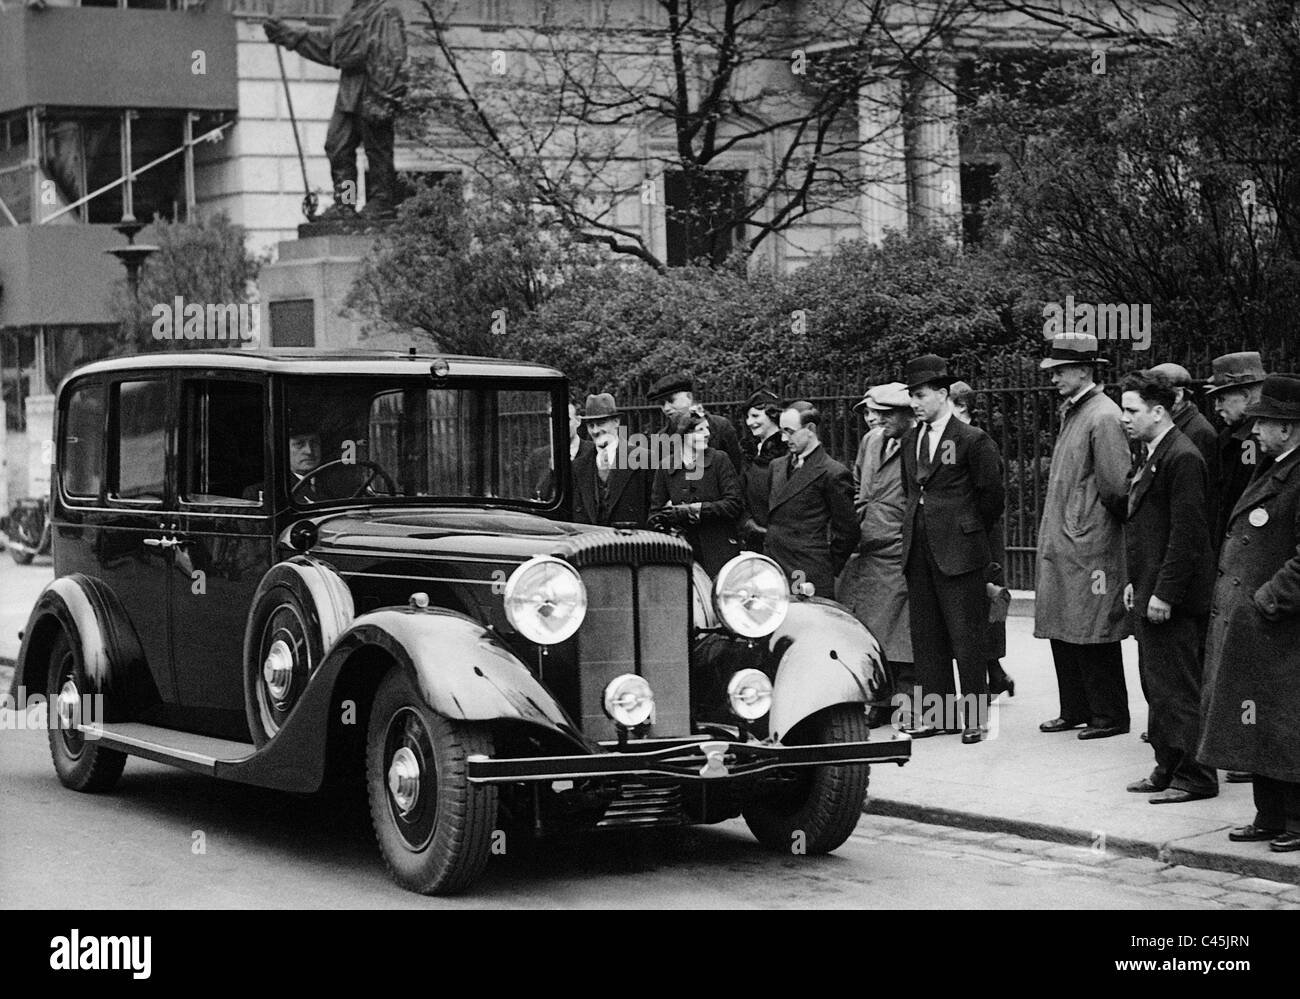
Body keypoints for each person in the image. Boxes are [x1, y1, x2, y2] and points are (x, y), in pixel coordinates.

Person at [1198, 374, 1300, 851]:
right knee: (1257, 722)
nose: (1254, 430)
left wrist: (1266, 601)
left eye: (1264, 422)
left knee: (1285, 724)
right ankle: (1268, 815)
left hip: (1280, 624)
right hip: (1257, 625)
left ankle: (1295, 821)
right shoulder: (1272, 465)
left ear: (1289, 427)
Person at [1119, 370, 1218, 804]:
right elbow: (1146, 527)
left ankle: (1196, 775)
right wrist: (1134, 582)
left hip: (1170, 599)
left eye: (1131, 410)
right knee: (1156, 684)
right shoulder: (1155, 452)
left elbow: (1187, 535)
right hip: (1150, 589)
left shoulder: (1183, 457)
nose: (1124, 418)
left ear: (1158, 412)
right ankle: (1168, 766)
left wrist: (1164, 593)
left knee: (1177, 687)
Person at [899, 356, 1005, 743]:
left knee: (967, 636)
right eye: (911, 395)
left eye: (921, 394)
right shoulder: (910, 440)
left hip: (960, 553)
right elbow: (911, 491)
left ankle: (975, 718)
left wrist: (965, 529)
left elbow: (992, 497)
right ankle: (938, 716)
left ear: (943, 394)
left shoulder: (972, 440)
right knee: (927, 636)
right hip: (919, 549)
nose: (914, 402)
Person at [1034, 333, 1133, 740]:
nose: (1054, 377)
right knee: (1066, 626)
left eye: (1060, 371)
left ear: (1084, 370)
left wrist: (1085, 525)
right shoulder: (1078, 411)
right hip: (1071, 538)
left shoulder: (1102, 415)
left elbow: (1115, 486)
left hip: (1090, 542)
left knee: (1094, 629)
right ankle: (1075, 708)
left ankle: (1109, 715)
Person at [264, 0, 408, 222]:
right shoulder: (352, 15)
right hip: (349, 89)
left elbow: (392, 55)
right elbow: (327, 46)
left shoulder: (384, 12)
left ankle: (382, 202)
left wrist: (384, 96)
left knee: (377, 150)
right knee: (337, 146)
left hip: (374, 87)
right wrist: (287, 35)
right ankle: (346, 202)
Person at [835, 383, 916, 723]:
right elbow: (857, 484)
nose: (874, 420)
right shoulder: (871, 443)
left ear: (905, 414)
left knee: (904, 637)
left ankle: (909, 704)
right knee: (874, 632)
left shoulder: (917, 443)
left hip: (899, 548)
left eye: (884, 415)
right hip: (869, 547)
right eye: (871, 414)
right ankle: (881, 704)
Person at [949, 380, 1015, 702]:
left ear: (961, 407)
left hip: (982, 536)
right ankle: (995, 672)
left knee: (987, 602)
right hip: (973, 534)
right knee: (977, 606)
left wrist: (975, 530)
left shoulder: (977, 442)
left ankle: (994, 673)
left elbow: (990, 496)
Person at [764, 402, 857, 599]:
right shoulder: (777, 466)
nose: (783, 438)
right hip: (774, 567)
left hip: (807, 570)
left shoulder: (833, 473)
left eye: (789, 432)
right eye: (781, 431)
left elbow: (848, 531)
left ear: (810, 430)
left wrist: (824, 565)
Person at [649, 407, 743, 575]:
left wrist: (695, 510)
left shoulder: (719, 460)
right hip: (680, 553)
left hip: (718, 551)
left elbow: (734, 504)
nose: (707, 433)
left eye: (707, 428)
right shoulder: (665, 467)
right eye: (700, 430)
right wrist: (668, 525)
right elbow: (655, 515)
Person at [1206, 352, 1268, 550]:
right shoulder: (1234, 436)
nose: (1216, 407)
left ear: (1246, 396)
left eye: (1221, 398)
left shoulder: (1251, 442)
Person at [571, 393, 652, 529]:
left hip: (629, 543)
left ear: (616, 422)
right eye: (591, 425)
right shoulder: (578, 466)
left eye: (601, 423)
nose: (596, 430)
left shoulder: (643, 459)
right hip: (591, 544)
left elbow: (652, 510)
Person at [648, 372, 745, 473]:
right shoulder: (661, 438)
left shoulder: (721, 427)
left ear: (689, 397)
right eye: (662, 404)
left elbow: (736, 470)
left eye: (671, 400)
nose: (666, 408)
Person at [738, 388, 787, 552]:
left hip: (780, 538)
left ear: (773, 415)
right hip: (752, 534)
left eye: (755, 416)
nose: (749, 422)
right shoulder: (748, 450)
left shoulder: (787, 451)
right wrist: (747, 521)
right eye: (748, 417)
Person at [529, 398, 594, 501]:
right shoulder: (538, 456)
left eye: (567, 419)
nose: (560, 424)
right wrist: (552, 472)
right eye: (555, 419)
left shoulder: (593, 452)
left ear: (578, 421)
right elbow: (537, 497)